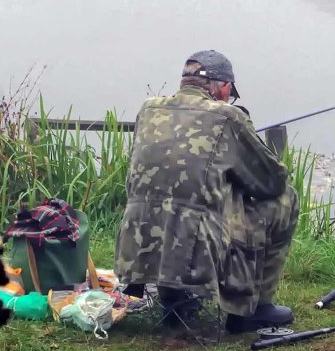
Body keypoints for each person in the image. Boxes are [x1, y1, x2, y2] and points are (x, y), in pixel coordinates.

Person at [115, 50, 299, 333]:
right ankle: (252, 309)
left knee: (179, 202)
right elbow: (270, 182)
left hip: (137, 250)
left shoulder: (148, 109)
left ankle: (173, 298)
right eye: (230, 92)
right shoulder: (227, 117)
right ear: (224, 87)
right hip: (196, 252)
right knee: (285, 199)